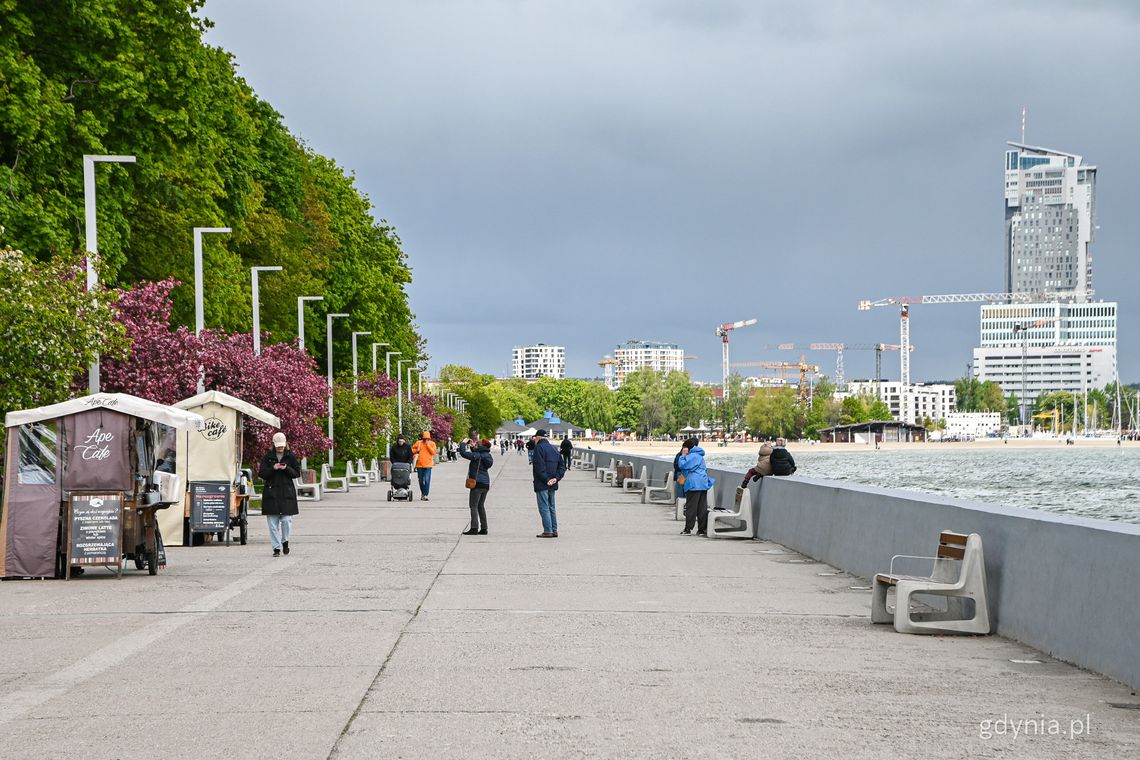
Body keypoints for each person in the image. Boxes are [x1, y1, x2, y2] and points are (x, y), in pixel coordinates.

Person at [258, 432, 300, 557]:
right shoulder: (268, 457)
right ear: (274, 445)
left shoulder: (291, 456)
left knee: (287, 520)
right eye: (278, 446)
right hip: (271, 492)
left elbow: (296, 473)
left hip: (286, 492)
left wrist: (286, 468)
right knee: (272, 524)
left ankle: (285, 541)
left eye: (282, 446)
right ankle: (276, 548)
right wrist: (273, 468)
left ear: (286, 444)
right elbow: (262, 473)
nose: (280, 448)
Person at [531, 429, 566, 537]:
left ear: (538, 438)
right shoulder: (554, 448)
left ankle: (548, 530)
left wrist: (546, 480)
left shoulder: (538, 448)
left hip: (542, 483)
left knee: (544, 507)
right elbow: (562, 466)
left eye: (535, 438)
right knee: (552, 507)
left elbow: (539, 467)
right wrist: (556, 478)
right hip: (553, 482)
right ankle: (554, 529)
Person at [677, 437, 714, 536]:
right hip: (702, 483)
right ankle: (701, 529)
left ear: (687, 447)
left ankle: (688, 529)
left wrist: (683, 455)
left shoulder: (692, 456)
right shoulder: (699, 455)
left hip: (694, 484)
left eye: (684, 448)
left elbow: (682, 465)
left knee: (691, 507)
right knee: (702, 507)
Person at [459, 437, 493, 535]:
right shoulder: (487, 455)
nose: (477, 443)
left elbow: (463, 453)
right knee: (481, 506)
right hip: (485, 484)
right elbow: (478, 454)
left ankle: (474, 528)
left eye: (479, 443)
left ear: (482, 446)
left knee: (473, 506)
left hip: (477, 483)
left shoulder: (478, 455)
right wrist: (473, 447)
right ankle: (484, 528)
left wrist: (463, 443)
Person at [411, 431, 437, 500]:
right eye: (425, 438)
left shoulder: (432, 444)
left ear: (429, 438)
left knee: (427, 480)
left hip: (428, 465)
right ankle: (423, 493)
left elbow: (433, 452)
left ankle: (425, 494)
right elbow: (412, 450)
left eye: (427, 438)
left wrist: (428, 445)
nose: (426, 440)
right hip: (419, 465)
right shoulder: (418, 443)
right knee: (420, 480)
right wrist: (417, 450)